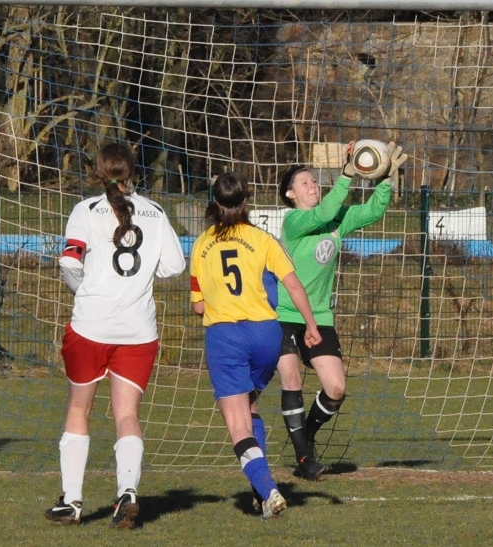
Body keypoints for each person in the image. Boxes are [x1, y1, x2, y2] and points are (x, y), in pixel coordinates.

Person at [45, 143, 186, 528]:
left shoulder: (85, 210)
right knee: (127, 414)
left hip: (90, 325)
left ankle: (72, 502)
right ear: (133, 172)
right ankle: (128, 492)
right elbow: (174, 265)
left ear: (96, 172)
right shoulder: (155, 212)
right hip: (138, 330)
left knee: (79, 409)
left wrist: (86, 291)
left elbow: (68, 261)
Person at [189, 171, 322, 519]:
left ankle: (268, 490)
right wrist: (311, 325)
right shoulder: (263, 239)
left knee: (237, 425)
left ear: (214, 202)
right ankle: (260, 491)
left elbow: (199, 305)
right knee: (248, 409)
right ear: (246, 201)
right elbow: (293, 284)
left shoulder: (202, 243)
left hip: (226, 336)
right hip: (266, 335)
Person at [275, 141, 408, 479]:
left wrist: (385, 180)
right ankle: (306, 459)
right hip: (285, 315)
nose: (312, 185)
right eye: (304, 183)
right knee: (290, 379)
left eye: (314, 180)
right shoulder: (293, 221)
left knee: (336, 390)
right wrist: (347, 176)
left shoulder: (335, 219)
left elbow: (373, 212)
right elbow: (321, 214)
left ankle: (306, 436)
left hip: (319, 317)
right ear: (291, 195)